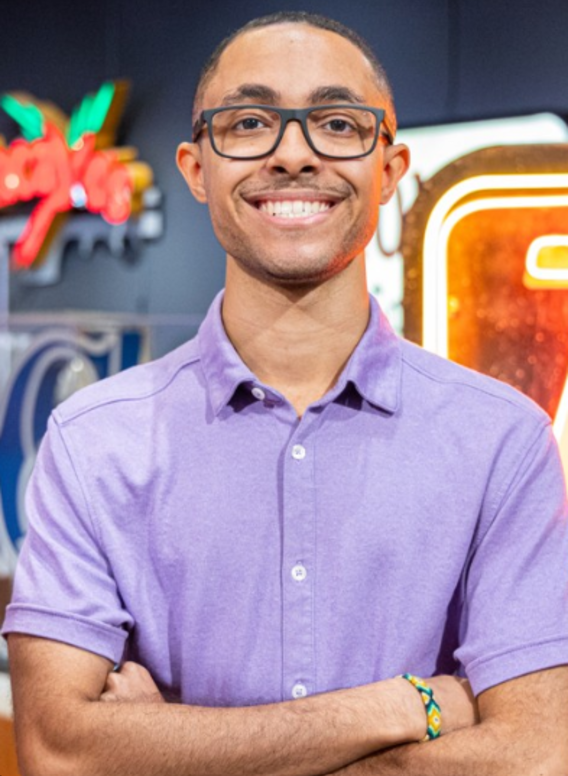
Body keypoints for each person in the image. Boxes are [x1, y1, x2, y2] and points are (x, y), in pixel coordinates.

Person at [3, 10, 568, 776]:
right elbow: (62, 754)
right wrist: (407, 706)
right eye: (248, 123)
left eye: (337, 123)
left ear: (390, 170)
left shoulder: (501, 440)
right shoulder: (93, 442)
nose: (294, 155)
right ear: (197, 167)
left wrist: (171, 751)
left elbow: (534, 756)